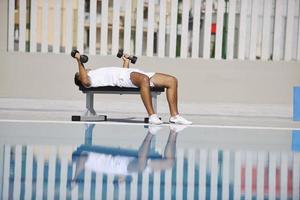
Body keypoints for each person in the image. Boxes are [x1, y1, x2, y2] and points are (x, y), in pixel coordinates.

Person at [72, 51, 192, 125]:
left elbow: (124, 72)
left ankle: (175, 116)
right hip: (124, 78)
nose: (84, 70)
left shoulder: (96, 72)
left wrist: (125, 61)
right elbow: (85, 81)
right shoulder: (89, 79)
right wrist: (79, 61)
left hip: (130, 74)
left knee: (172, 80)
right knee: (144, 79)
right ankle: (152, 116)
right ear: (80, 78)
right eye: (80, 73)